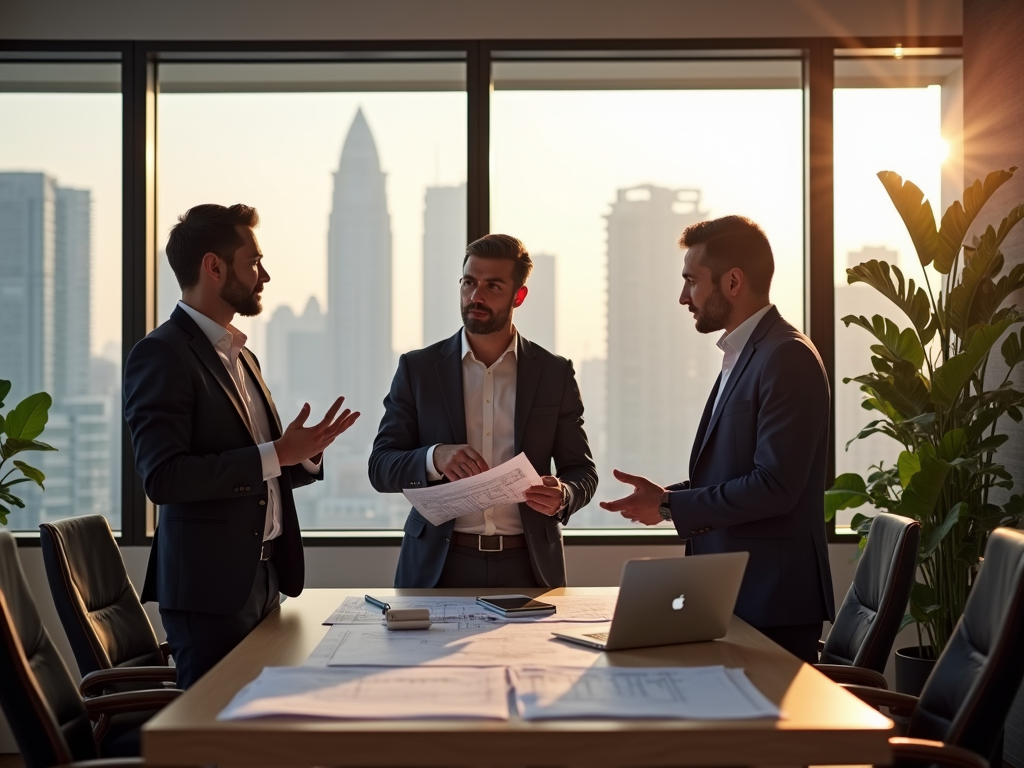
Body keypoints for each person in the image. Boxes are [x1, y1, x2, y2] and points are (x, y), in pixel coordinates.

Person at [124, 204, 359, 688]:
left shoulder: (242, 355)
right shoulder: (162, 353)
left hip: (266, 579)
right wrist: (278, 453)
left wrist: (306, 454)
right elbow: (164, 478)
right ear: (214, 267)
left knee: (260, 730)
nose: (264, 275)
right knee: (218, 737)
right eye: (254, 261)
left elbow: (260, 468)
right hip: (210, 593)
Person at [600, 215, 835, 663]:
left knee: (757, 734)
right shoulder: (746, 353)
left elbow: (774, 486)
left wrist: (671, 505)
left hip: (771, 601)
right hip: (739, 594)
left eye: (692, 281)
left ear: (732, 281)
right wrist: (667, 498)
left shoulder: (786, 356)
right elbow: (736, 472)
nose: (684, 297)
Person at [369, 234, 597, 588]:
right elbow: (381, 467)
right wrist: (434, 457)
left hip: (529, 564)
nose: (476, 296)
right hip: (439, 564)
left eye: (493, 286)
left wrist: (564, 494)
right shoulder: (418, 369)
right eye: (469, 283)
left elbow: (582, 471)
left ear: (518, 296)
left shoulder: (554, 373)